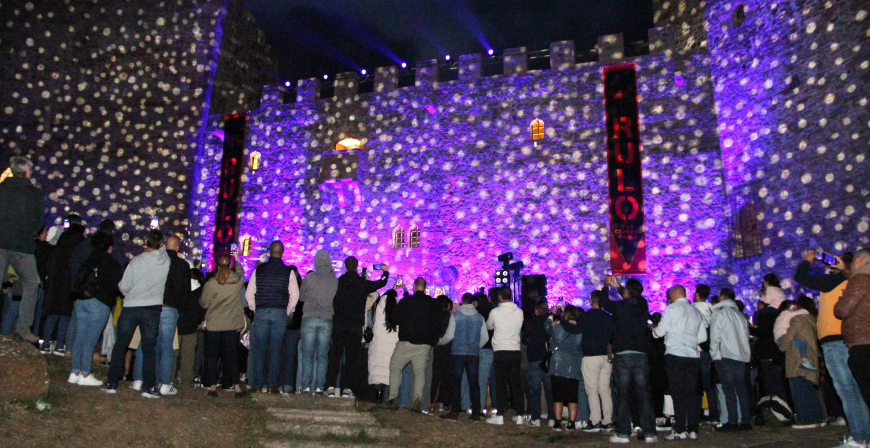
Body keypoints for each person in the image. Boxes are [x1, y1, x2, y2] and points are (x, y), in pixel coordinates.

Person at [796, 250, 870, 448]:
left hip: (836, 341)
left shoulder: (835, 281)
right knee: (857, 391)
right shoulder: (851, 280)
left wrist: (807, 261)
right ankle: (864, 436)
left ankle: (858, 437)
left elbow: (801, 277)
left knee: (847, 391)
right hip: (846, 340)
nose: (828, 268)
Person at [102, 229, 170, 398]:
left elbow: (123, 286)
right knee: (149, 349)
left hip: (131, 306)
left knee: (121, 345)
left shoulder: (136, 262)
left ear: (145, 242)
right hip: (152, 308)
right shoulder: (165, 261)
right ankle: (148, 387)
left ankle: (112, 382)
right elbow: (162, 248)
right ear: (161, 245)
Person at [131, 235, 190, 395]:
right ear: (177, 247)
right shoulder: (182, 265)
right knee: (166, 347)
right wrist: (181, 308)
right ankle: (164, 383)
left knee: (146, 343)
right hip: (170, 309)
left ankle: (138, 379)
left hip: (153, 305)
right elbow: (185, 290)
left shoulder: (157, 261)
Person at [601, 276, 657, 444]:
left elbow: (604, 302)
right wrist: (619, 287)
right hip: (640, 353)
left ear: (626, 292)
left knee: (623, 394)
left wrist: (606, 286)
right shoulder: (643, 305)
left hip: (623, 354)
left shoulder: (619, 308)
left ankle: (624, 432)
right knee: (644, 394)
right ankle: (649, 432)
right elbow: (632, 298)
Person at [326, 257, 388, 399]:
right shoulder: (362, 283)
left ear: (346, 267)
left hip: (339, 325)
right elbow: (381, 283)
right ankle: (347, 389)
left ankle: (330, 387)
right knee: (351, 360)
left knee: (335, 357)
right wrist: (385, 272)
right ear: (357, 267)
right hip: (355, 327)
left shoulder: (339, 282)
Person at [67, 232, 122, 386]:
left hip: (81, 300)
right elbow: (117, 284)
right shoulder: (111, 263)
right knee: (90, 339)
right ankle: (85, 373)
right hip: (99, 302)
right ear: (110, 247)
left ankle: (74, 371)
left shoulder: (88, 260)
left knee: (80, 336)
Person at [652, 285, 707, 441]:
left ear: (675, 294)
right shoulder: (695, 311)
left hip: (675, 355)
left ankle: (680, 429)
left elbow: (660, 332)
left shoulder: (671, 309)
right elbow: (702, 337)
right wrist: (689, 340)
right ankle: (693, 429)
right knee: (691, 393)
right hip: (692, 356)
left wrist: (654, 332)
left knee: (678, 394)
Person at [0, 156, 44, 344]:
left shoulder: (1, 189)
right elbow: (38, 221)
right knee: (31, 283)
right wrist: (28, 233)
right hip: (21, 246)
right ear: (27, 171)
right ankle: (24, 328)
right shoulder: (33, 194)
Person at [245, 241, 299, 394]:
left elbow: (249, 294)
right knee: (275, 351)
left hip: (261, 312)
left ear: (269, 252)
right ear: (282, 253)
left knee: (259, 350)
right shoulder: (288, 271)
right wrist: (287, 311)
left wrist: (256, 309)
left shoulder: (259, 270)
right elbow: (294, 295)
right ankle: (272, 385)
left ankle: (256, 384)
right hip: (279, 313)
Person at [386, 277, 442, 412]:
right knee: (419, 372)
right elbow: (438, 324)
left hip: (406, 341)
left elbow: (395, 318)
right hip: (424, 345)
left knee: (395, 367)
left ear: (414, 286)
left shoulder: (406, 301)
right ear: (425, 287)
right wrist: (432, 341)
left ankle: (393, 398)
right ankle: (417, 400)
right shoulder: (433, 304)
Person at [200, 255, 247, 398]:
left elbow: (203, 303)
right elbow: (241, 273)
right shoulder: (237, 282)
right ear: (230, 266)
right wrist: (236, 259)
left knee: (212, 356)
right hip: (231, 324)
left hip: (214, 324)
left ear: (218, 265)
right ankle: (237, 388)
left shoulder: (212, 283)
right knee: (232, 356)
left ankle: (213, 387)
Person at [835, 249, 870, 432]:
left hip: (862, 342)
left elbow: (843, 310)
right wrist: (845, 272)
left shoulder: (860, 280)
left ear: (859, 260)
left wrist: (840, 300)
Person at [439, 292, 489, 421]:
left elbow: (449, 335)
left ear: (462, 301)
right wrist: (476, 346)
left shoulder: (455, 316)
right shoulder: (479, 317)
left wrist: (440, 341)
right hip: (473, 354)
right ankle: (476, 412)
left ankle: (455, 411)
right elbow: (485, 337)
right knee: (474, 383)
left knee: (456, 382)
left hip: (457, 353)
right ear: (473, 302)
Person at [709, 288, 752, 431]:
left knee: (728, 389)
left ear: (722, 297)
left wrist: (713, 353)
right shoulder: (739, 315)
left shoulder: (720, 313)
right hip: (740, 355)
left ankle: (732, 421)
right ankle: (745, 420)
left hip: (726, 355)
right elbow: (746, 336)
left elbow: (715, 335)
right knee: (741, 388)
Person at [779, 300, 825, 427]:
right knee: (809, 389)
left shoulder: (797, 321)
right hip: (810, 357)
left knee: (798, 389)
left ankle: (805, 419)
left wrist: (782, 343)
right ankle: (818, 417)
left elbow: (786, 341)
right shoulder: (810, 320)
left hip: (797, 359)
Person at [41, 223, 86, 355]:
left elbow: (48, 267)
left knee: (52, 314)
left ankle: (45, 343)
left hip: (55, 286)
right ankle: (60, 344)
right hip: (69, 287)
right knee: (65, 316)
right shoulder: (77, 252)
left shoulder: (57, 250)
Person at [299, 249, 338, 395]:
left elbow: (302, 297)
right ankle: (320, 387)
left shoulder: (309, 277)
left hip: (309, 317)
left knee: (307, 354)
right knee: (322, 356)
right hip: (327, 319)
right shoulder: (334, 280)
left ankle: (306, 386)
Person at [485, 286, 526, 425]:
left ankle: (500, 415)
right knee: (516, 384)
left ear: (499, 297)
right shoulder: (519, 312)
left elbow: (489, 326)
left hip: (501, 350)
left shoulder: (495, 312)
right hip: (515, 350)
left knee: (501, 383)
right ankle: (520, 414)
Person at [580, 290, 615, 432]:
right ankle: (607, 421)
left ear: (591, 301)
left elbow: (578, 330)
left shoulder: (586, 316)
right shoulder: (608, 317)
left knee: (592, 390)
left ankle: (595, 421)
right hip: (606, 356)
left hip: (590, 356)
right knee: (605, 390)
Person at [546, 305, 584, 431]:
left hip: (558, 364)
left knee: (558, 395)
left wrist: (552, 314)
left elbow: (547, 327)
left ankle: (557, 422)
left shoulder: (558, 327)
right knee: (573, 396)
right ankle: (572, 423)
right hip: (573, 365)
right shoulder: (580, 329)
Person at [752, 274, 788, 402]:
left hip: (772, 309)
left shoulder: (770, 289)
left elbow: (767, 301)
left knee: (758, 314)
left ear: (767, 282)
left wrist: (762, 296)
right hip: (778, 309)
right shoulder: (779, 290)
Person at [525, 301, 555, 427]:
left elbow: (523, 339)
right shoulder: (550, 324)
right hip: (548, 359)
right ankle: (552, 417)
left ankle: (536, 417)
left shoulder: (531, 324)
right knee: (550, 390)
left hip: (534, 359)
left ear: (536, 311)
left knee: (535, 390)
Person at [693, 284, 719, 425]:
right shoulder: (712, 310)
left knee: (696, 385)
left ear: (697, 295)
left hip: (697, 350)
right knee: (709, 386)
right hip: (708, 350)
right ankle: (714, 414)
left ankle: (696, 415)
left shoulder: (693, 309)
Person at [368, 288, 400, 402]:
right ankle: (389, 400)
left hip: (379, 344)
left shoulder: (380, 305)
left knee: (378, 375)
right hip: (392, 346)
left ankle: (378, 399)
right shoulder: (398, 305)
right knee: (389, 374)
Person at [177, 265, 205, 387]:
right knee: (188, 353)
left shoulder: (181, 286)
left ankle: (170, 376)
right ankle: (186, 377)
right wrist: (200, 320)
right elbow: (202, 307)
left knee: (174, 351)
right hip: (192, 324)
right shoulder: (201, 290)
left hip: (178, 322)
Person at [280, 268, 303, 394]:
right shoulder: (300, 288)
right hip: (295, 327)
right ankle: (288, 385)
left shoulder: (282, 288)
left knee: (278, 355)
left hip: (282, 325)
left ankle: (277, 383)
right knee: (290, 358)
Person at [774, 301, 817, 371]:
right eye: (792, 307)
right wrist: (804, 310)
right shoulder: (786, 314)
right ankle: (804, 361)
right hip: (782, 337)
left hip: (780, 338)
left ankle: (804, 361)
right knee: (802, 343)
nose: (794, 309)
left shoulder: (783, 316)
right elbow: (798, 313)